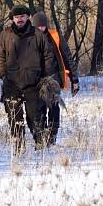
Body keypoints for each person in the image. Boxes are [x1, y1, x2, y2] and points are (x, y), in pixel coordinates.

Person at [0, 5, 61, 153]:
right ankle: (19, 147)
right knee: (14, 117)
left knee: (35, 117)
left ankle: (40, 145)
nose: (19, 19)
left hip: (34, 84)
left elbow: (48, 55)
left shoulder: (37, 34)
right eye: (16, 17)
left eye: (22, 16)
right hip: (11, 84)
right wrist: (4, 75)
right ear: (12, 19)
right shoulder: (5, 35)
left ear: (28, 17)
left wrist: (44, 77)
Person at [32, 12, 80, 146]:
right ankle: (41, 139)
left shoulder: (55, 36)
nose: (41, 28)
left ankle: (52, 138)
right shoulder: (29, 39)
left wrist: (74, 79)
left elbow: (67, 57)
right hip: (36, 81)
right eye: (38, 26)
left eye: (43, 26)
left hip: (54, 80)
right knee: (39, 110)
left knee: (53, 109)